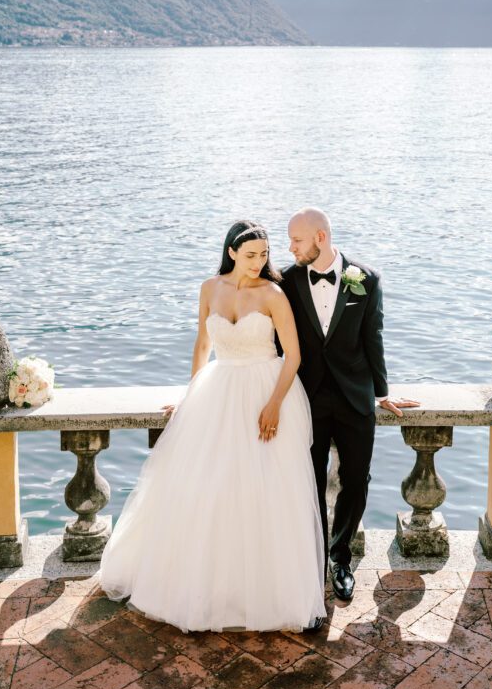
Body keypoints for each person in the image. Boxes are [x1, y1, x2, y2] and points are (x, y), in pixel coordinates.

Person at [96, 220, 326, 633]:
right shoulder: (209, 289)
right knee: (209, 488)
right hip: (219, 392)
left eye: (265, 255)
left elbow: (293, 356)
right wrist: (190, 396)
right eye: (252, 254)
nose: (260, 262)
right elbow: (202, 345)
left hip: (265, 392)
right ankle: (211, 590)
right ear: (232, 252)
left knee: (265, 491)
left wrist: (273, 404)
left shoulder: (273, 294)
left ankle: (267, 594)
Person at [281, 208, 419, 603]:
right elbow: (278, 344)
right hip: (306, 400)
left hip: (355, 398)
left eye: (296, 240)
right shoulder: (287, 281)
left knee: (356, 480)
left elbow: (372, 336)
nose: (290, 247)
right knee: (307, 480)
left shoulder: (366, 278)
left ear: (320, 237)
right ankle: (312, 558)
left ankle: (340, 558)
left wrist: (380, 391)